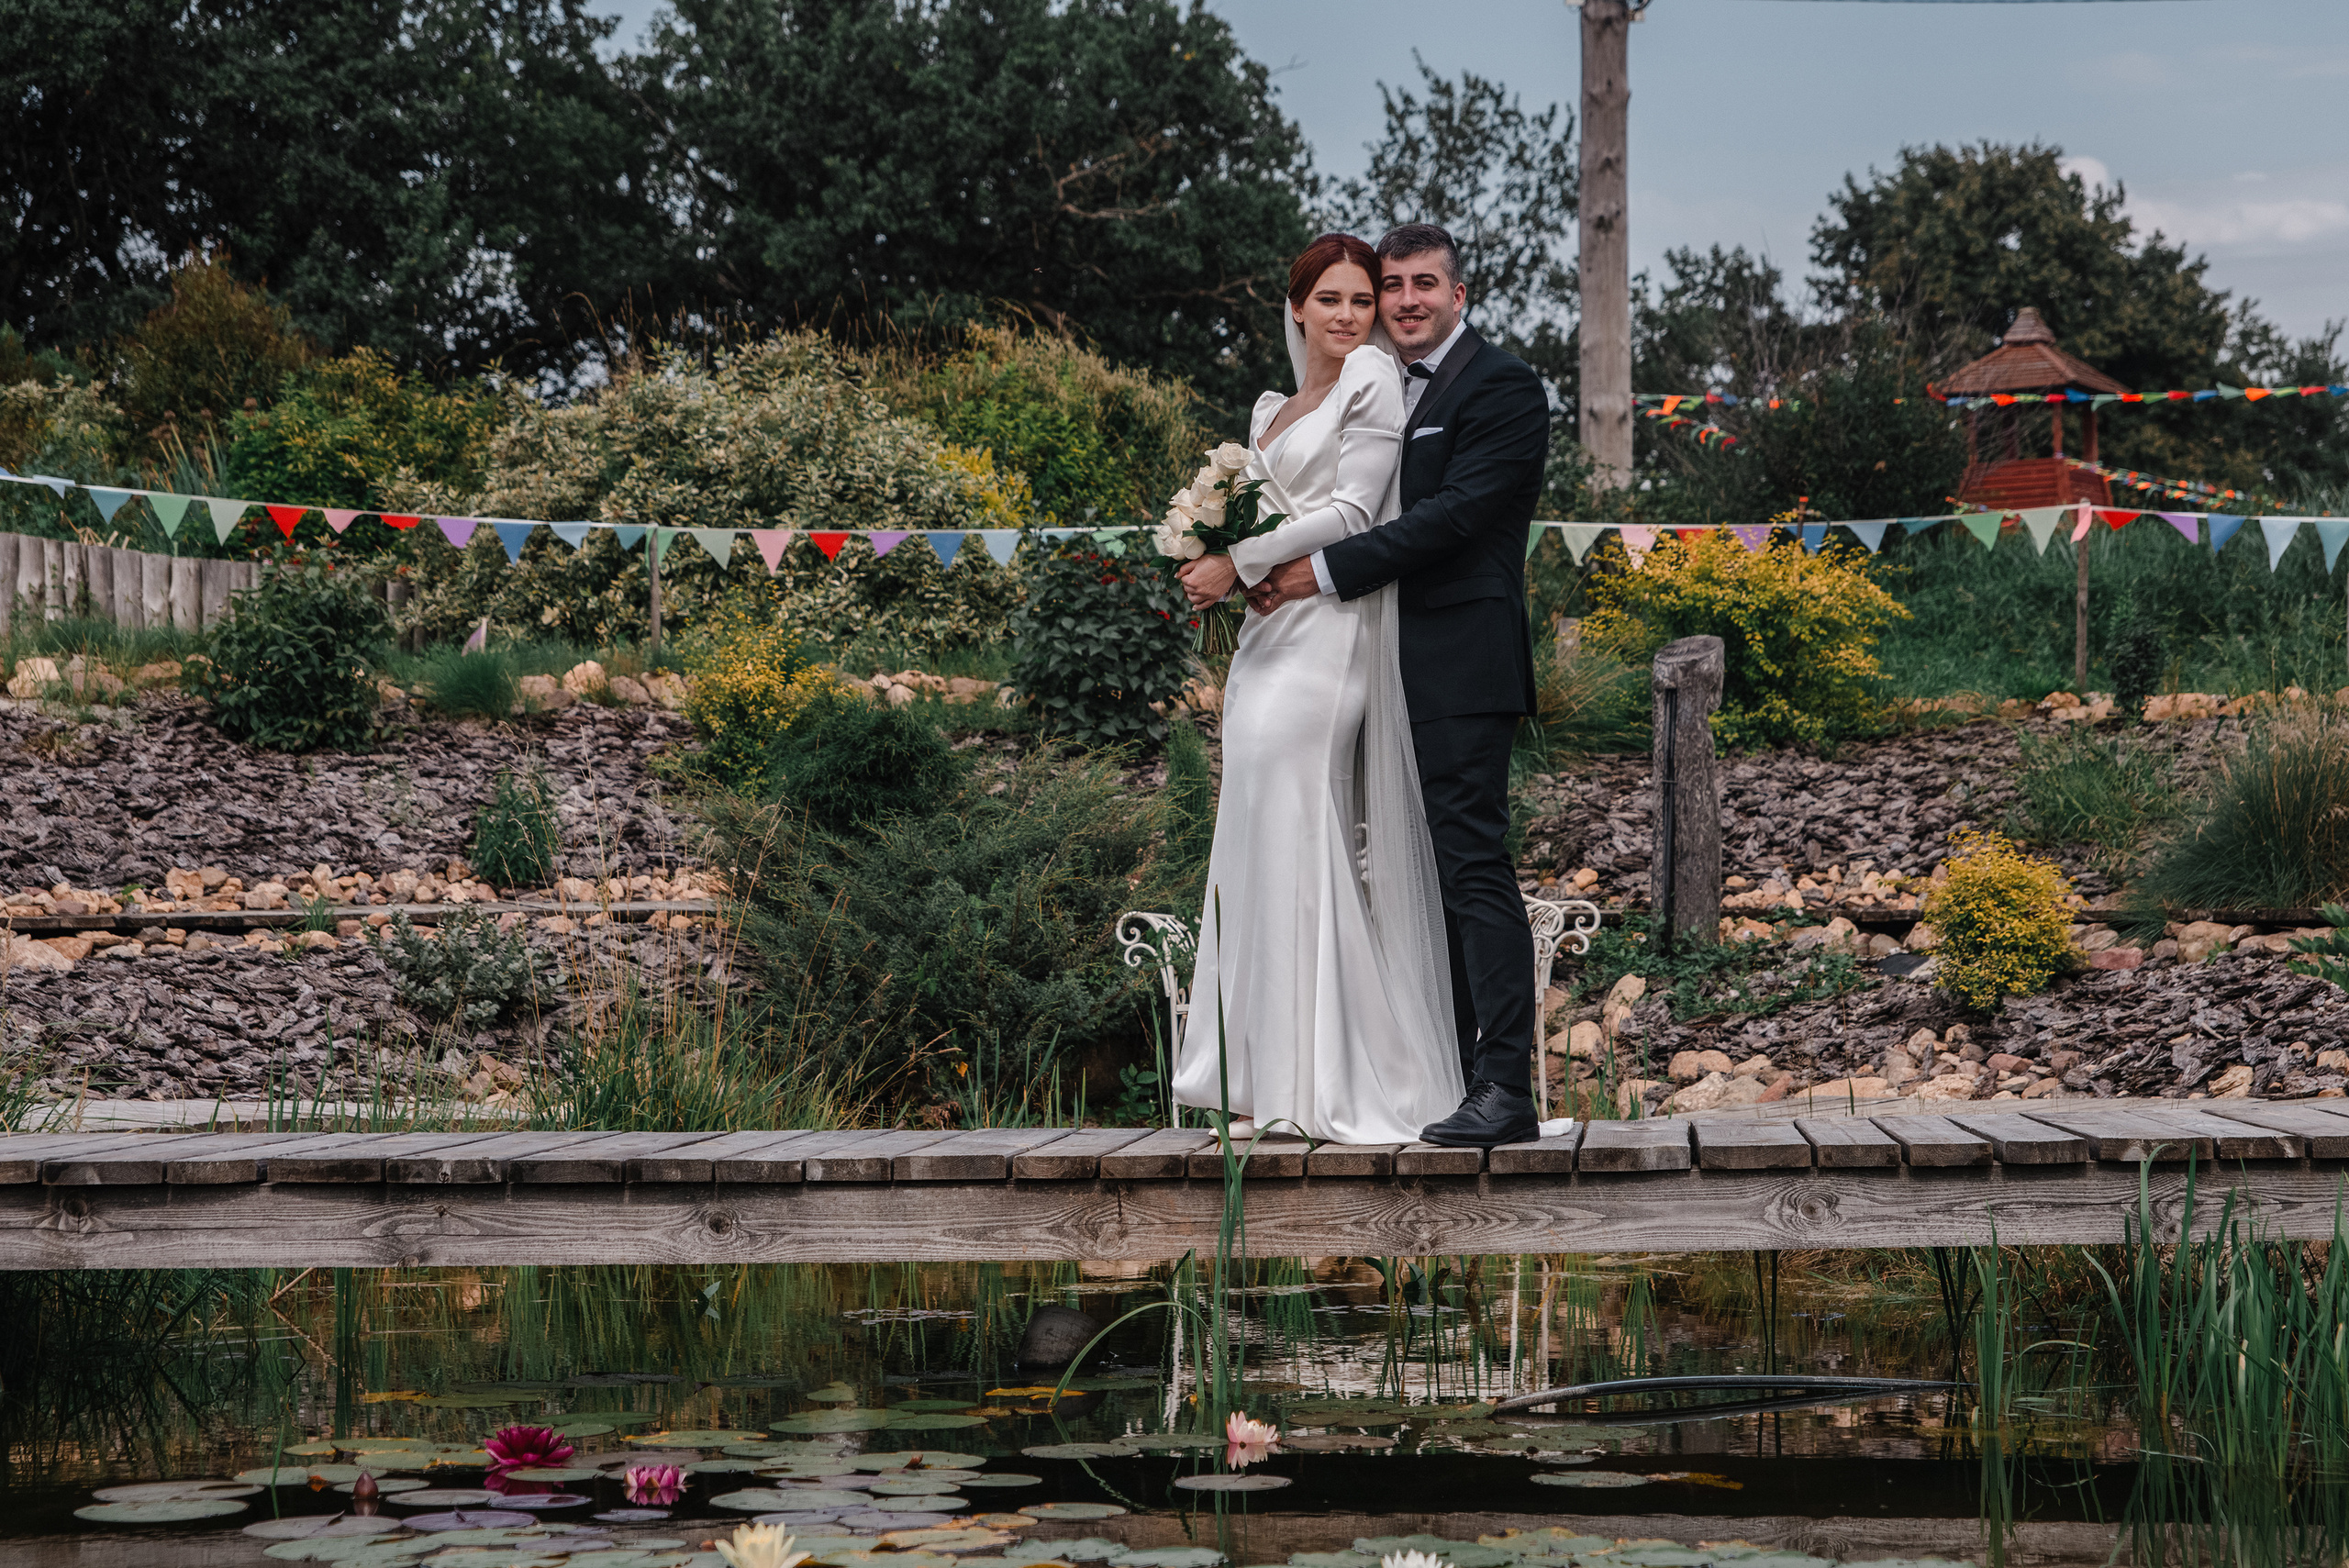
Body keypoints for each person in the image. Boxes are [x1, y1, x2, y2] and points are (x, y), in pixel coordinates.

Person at [1243, 223, 1552, 1150]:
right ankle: (1436, 1072)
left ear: (1460, 296)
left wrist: (1313, 573)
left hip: (1461, 659)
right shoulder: (1371, 383)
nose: (1406, 300)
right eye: (1393, 285)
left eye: (1425, 284)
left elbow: (1452, 518)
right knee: (1402, 873)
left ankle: (1504, 1086)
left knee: (1469, 866)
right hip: (1366, 657)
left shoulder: (1501, 388)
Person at [1166, 232, 1464, 1146]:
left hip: (1326, 638)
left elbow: (1352, 509)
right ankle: (1254, 1076)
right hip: (1262, 639)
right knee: (1255, 838)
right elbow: (1272, 503)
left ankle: (1310, 1081)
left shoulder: (1372, 379)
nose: (1348, 315)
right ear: (1295, 306)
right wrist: (1221, 552)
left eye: (1359, 300)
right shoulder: (1269, 405)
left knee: (1299, 834)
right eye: (1328, 300)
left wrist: (1234, 558)